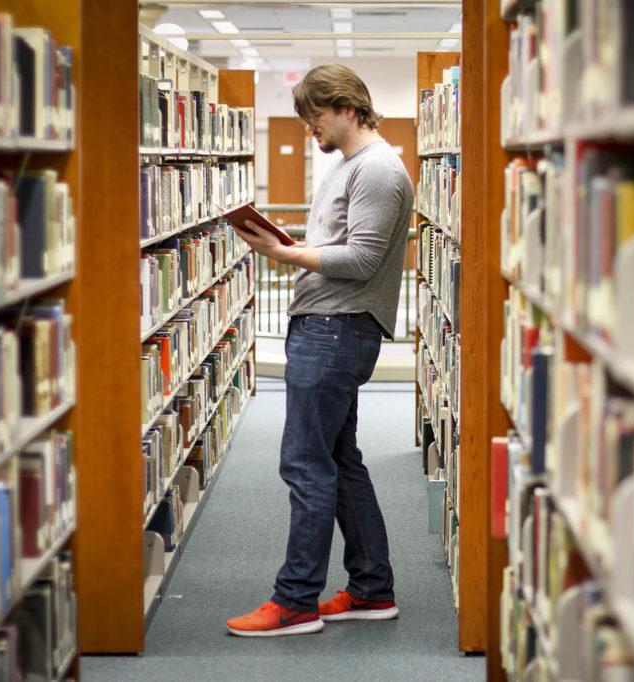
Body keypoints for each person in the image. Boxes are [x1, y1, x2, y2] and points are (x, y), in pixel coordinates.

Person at [225, 64, 413, 637]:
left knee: (305, 464)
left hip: (337, 329)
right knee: (339, 461)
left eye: (316, 118)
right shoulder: (350, 166)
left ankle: (295, 601)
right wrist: (292, 247)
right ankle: (371, 589)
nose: (310, 129)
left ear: (349, 108)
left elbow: (360, 260)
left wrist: (286, 255)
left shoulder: (378, 170)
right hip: (328, 325)